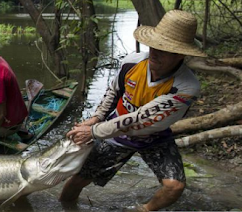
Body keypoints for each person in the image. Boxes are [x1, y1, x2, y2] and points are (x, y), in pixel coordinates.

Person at [59, 10, 207, 211]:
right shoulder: (132, 62)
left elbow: (139, 119)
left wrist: (93, 132)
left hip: (154, 137)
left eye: (163, 49)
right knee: (79, 180)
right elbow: (113, 92)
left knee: (175, 187)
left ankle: (143, 210)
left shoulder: (185, 87)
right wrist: (95, 119)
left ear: (179, 54)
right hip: (115, 134)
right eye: (154, 46)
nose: (154, 52)